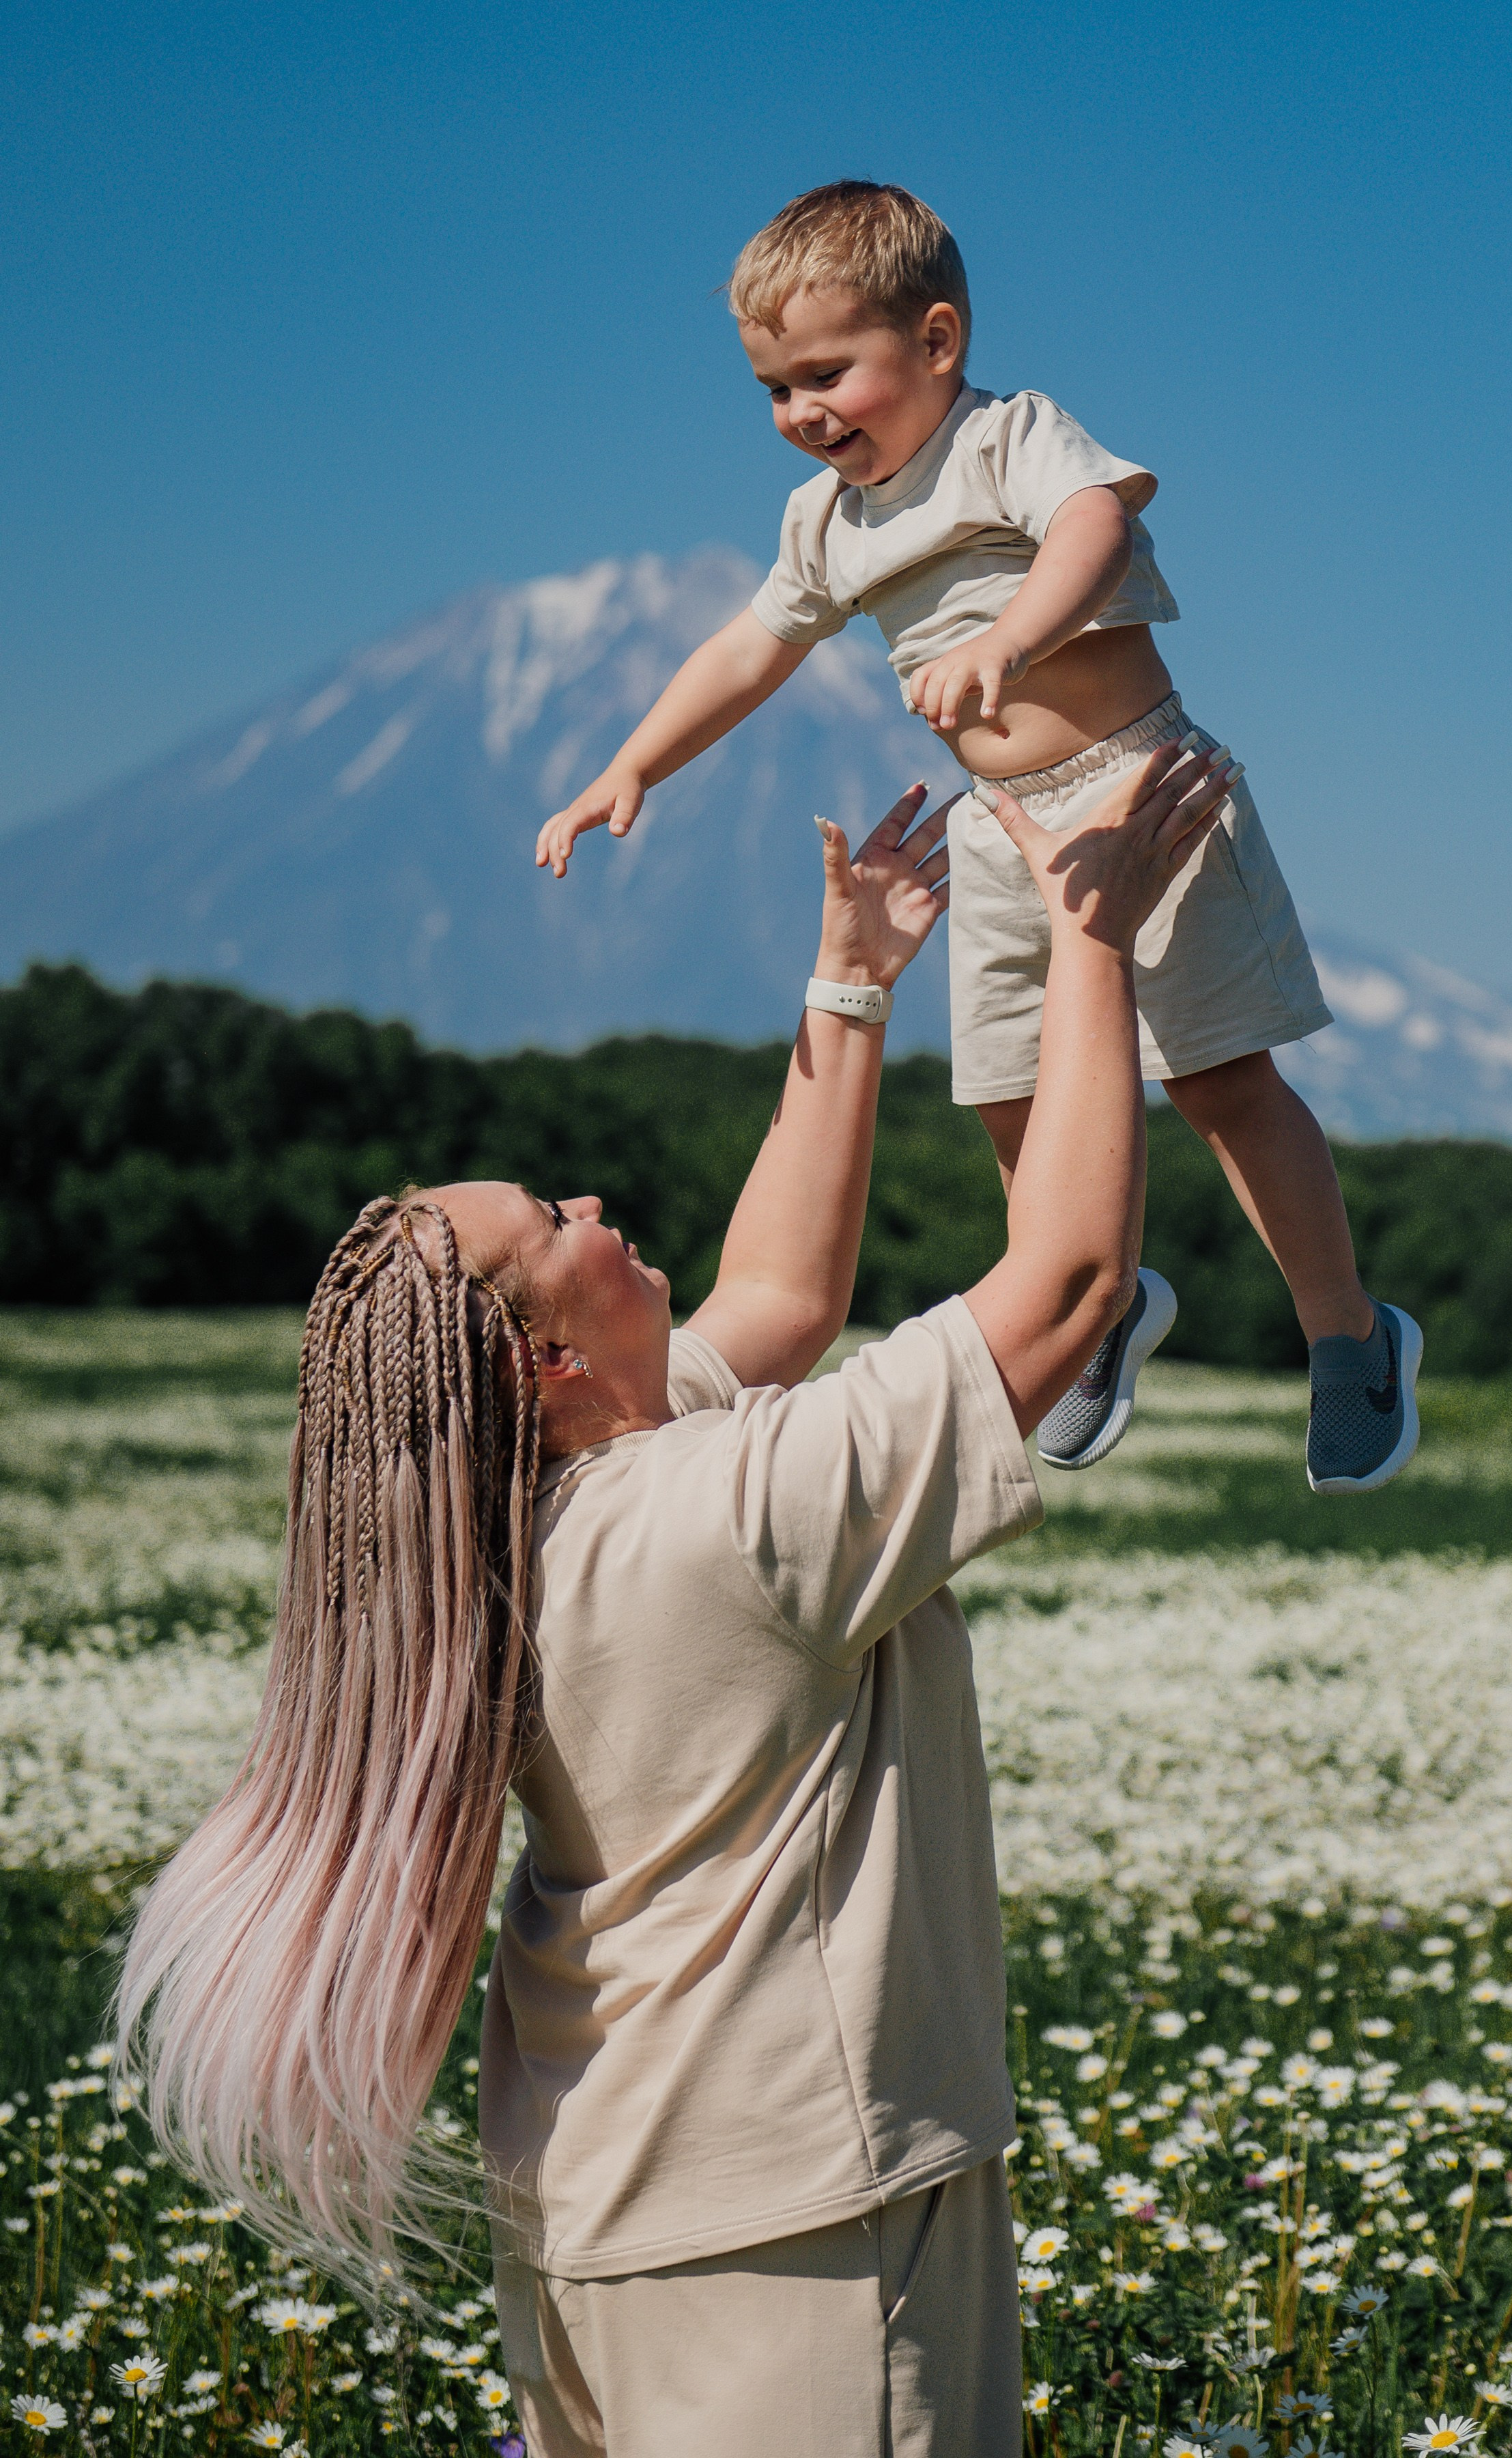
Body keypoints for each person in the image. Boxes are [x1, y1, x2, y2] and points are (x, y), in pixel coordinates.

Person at [117, 737, 1228, 2456]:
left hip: (610, 2208)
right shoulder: (718, 1527)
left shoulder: (557, 1512)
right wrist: (1088, 933)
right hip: (798, 2220)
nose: (591, 1198)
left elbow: (779, 1290)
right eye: (550, 1220)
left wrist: (847, 983)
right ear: (539, 1354)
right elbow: (1072, 1285)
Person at [535, 180, 1421, 1496]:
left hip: (1141, 797)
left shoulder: (1009, 440)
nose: (802, 414)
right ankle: (1101, 1308)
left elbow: (1098, 524)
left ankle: (1347, 1332)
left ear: (937, 341)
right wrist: (633, 763)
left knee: (1220, 1083)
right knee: (1011, 1095)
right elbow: (748, 647)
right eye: (776, 390)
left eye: (828, 373)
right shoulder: (825, 525)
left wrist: (1012, 638)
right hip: (1005, 836)